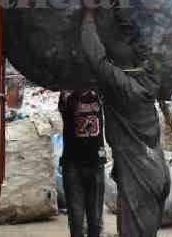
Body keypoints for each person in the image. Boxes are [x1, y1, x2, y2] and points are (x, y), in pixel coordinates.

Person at [80, 0, 170, 237]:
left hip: (140, 177)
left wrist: (88, 14)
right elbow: (138, 40)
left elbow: (97, 59)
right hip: (154, 171)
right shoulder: (150, 79)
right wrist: (119, 5)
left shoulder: (125, 88)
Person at [58, 89, 106, 237]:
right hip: (73, 166)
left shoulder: (98, 91)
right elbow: (65, 104)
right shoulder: (67, 93)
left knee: (95, 222)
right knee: (76, 221)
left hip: (96, 164)